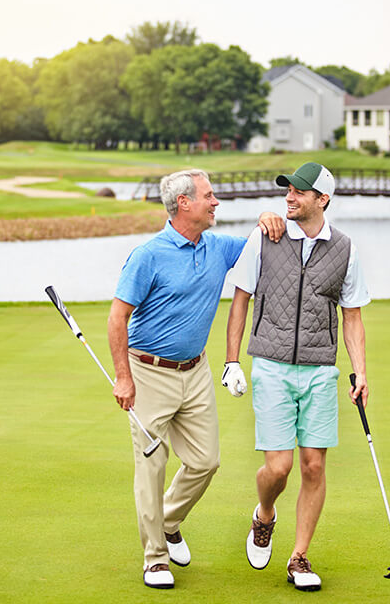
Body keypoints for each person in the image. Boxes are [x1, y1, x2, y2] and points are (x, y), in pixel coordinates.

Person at [108, 169, 284, 590]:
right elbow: (118, 318)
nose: (216, 202)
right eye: (209, 196)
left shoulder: (217, 247)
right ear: (184, 203)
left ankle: (167, 523)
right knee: (152, 466)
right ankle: (154, 559)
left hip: (196, 371)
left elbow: (263, 248)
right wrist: (123, 378)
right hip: (149, 372)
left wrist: (266, 216)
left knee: (206, 461)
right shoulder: (148, 254)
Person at [222, 161, 370, 592]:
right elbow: (240, 300)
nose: (289, 196)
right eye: (288, 190)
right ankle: (264, 514)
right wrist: (232, 360)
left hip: (320, 369)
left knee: (313, 465)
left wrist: (361, 370)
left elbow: (353, 316)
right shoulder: (265, 237)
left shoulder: (345, 249)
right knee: (279, 466)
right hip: (270, 365)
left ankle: (299, 557)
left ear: (322, 199)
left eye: (299, 192)